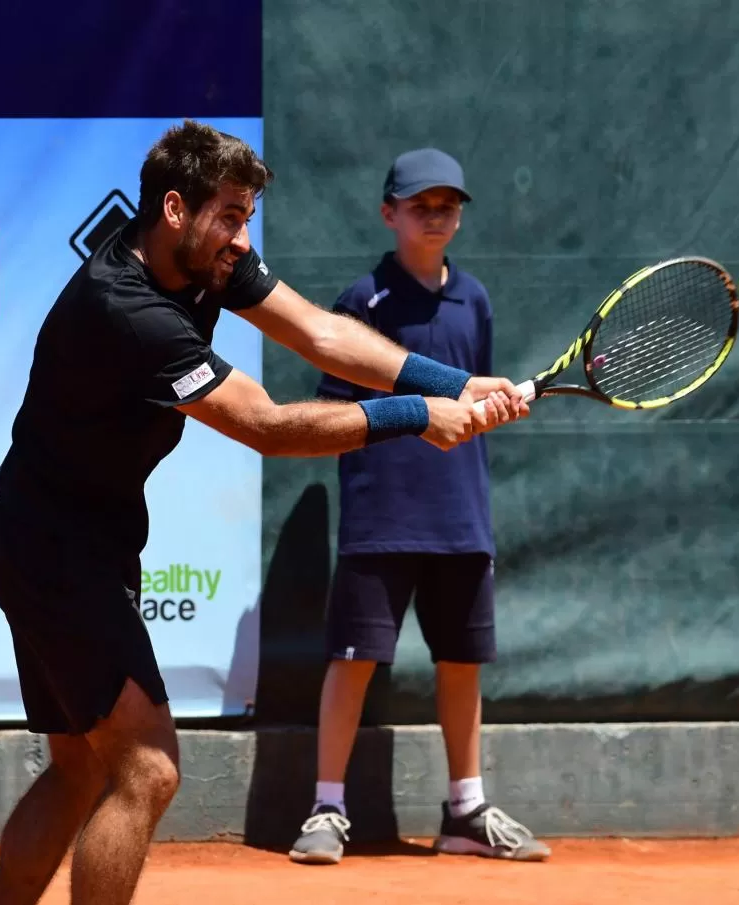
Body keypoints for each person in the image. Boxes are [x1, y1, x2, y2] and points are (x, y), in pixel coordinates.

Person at [0, 121, 528, 905]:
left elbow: (319, 332)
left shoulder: (208, 258)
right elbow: (265, 425)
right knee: (147, 768)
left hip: (66, 537)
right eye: (230, 215)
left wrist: (452, 382)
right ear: (176, 208)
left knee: (80, 770)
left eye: (248, 217)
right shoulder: (127, 308)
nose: (242, 237)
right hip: (52, 550)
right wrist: (415, 414)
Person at [288, 148, 551, 865]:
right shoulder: (362, 301)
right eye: (420, 205)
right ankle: (328, 806)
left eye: (448, 205)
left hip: (460, 515)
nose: (436, 216)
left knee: (462, 660)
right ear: (389, 213)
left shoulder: (476, 300)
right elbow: (333, 410)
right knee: (354, 660)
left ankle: (466, 810)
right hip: (380, 515)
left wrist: (493, 409)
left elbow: (470, 402)